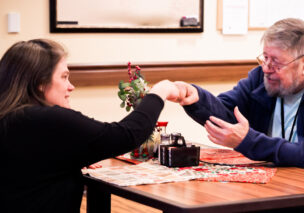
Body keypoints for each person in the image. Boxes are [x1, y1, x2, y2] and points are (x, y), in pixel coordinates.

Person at [174, 18, 304, 212]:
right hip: (284, 188)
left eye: (276, 63)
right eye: (265, 58)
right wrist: (196, 98)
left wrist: (247, 140)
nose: (266, 68)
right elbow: (225, 112)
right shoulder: (262, 78)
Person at [0, 39, 180, 213]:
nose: (71, 87)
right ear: (40, 82)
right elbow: (127, 135)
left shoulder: (10, 117)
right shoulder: (48, 119)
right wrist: (159, 92)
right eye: (64, 77)